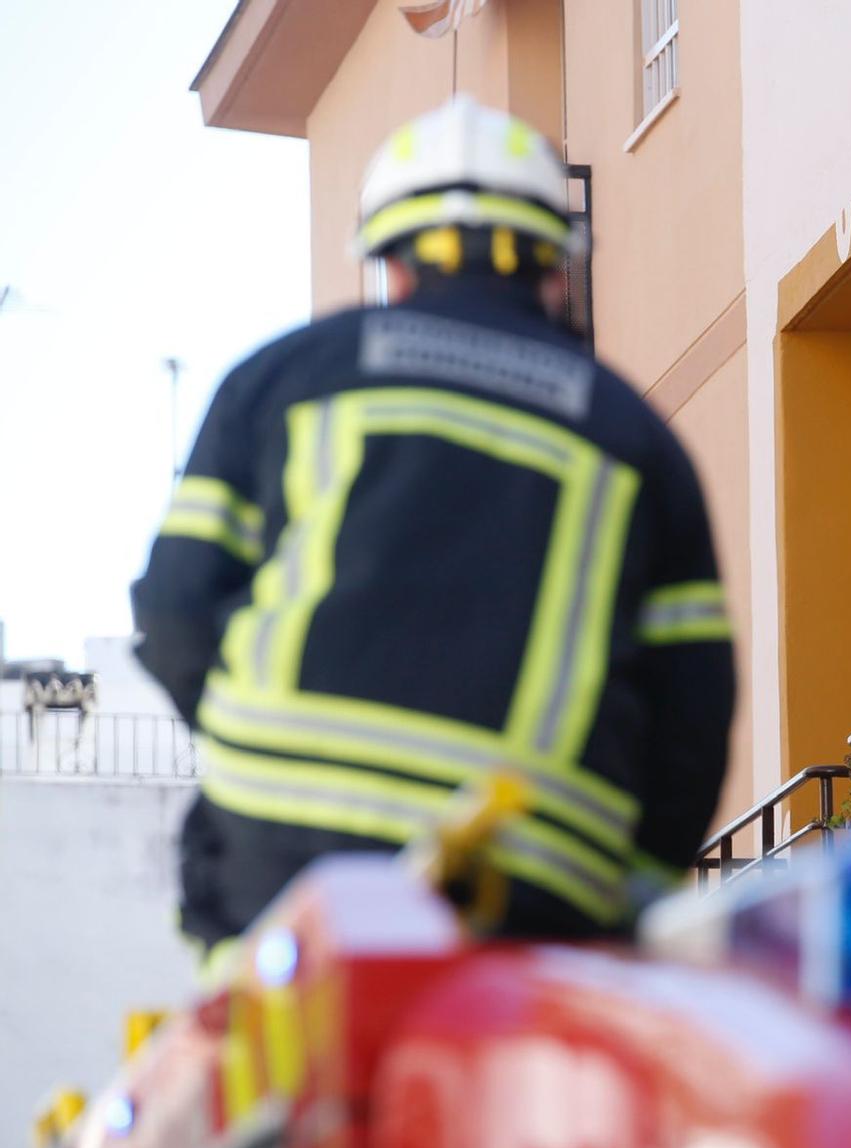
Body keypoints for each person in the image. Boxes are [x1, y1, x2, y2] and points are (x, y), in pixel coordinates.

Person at [131, 96, 735, 947]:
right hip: (524, 873)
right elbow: (692, 717)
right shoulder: (637, 441)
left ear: (391, 262)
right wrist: (622, 895)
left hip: (282, 839)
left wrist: (248, 741)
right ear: (555, 271)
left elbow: (173, 608)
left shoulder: (280, 379)